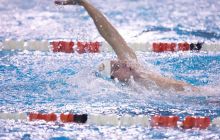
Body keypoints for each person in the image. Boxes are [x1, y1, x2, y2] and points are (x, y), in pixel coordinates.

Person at [55, 0, 199, 92]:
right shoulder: (138, 92)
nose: (122, 63)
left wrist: (84, 3)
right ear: (114, 80)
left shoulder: (135, 66)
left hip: (201, 92)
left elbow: (110, 35)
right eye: (117, 67)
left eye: (117, 62)